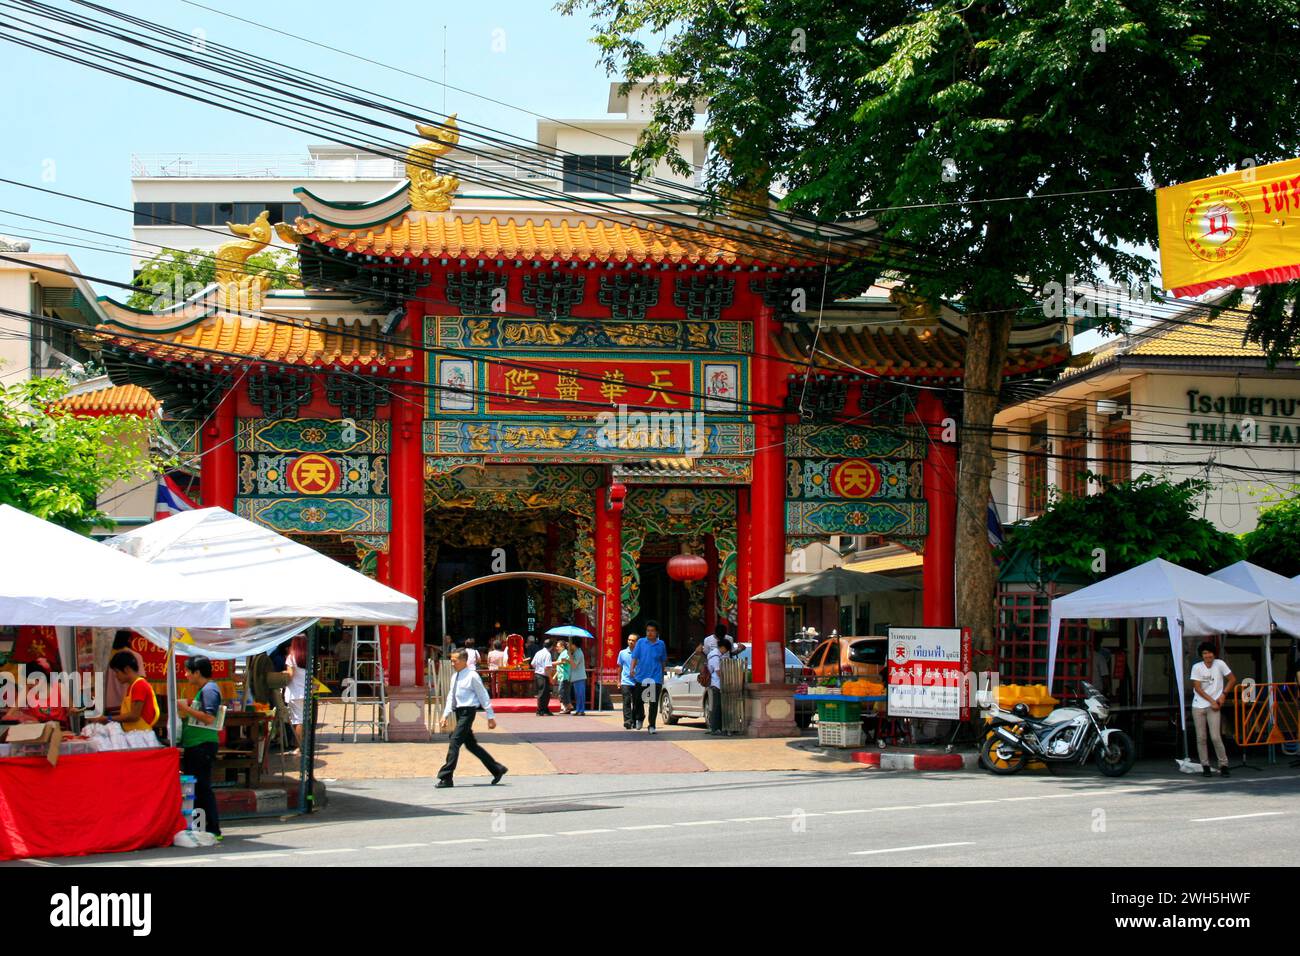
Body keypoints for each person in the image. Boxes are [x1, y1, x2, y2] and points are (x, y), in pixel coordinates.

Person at [436, 649, 507, 788]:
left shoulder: (472, 675)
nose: (452, 663)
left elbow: (483, 695)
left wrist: (490, 716)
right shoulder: (455, 676)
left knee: (454, 741)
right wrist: (445, 714)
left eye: (454, 661)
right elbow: (451, 696)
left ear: (463, 661)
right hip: (458, 712)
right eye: (451, 660)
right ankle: (497, 769)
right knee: (471, 745)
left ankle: (446, 777)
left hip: (468, 712)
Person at [176, 655, 222, 840]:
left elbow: (209, 717)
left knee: (202, 789)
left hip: (202, 746)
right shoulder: (204, 690)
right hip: (195, 745)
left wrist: (185, 708)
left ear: (197, 672)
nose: (186, 674)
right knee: (198, 789)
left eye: (188, 671)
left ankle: (213, 830)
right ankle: (202, 827)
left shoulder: (209, 690)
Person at [1191, 641, 1236, 777]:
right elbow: (1197, 688)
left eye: (1210, 652)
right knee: (1201, 737)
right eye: (1204, 653)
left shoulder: (1220, 664)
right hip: (1199, 705)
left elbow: (1232, 679)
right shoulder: (1197, 667)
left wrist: (1223, 695)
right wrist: (1212, 701)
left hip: (1215, 704)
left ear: (1214, 654)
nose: (1208, 655)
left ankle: (1223, 764)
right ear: (1201, 655)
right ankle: (1205, 765)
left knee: (1216, 737)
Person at [90, 651, 159, 732]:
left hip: (142, 735)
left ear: (126, 669)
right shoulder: (133, 686)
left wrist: (108, 718)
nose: (116, 676)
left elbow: (134, 716)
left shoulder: (139, 685)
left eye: (117, 672)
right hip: (135, 733)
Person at [629, 620, 668, 733]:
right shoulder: (641, 642)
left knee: (653, 703)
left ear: (657, 633)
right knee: (638, 701)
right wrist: (632, 669)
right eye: (648, 631)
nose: (650, 633)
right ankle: (640, 718)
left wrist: (662, 674)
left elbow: (663, 660)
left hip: (655, 678)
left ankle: (652, 725)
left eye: (652, 631)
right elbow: (635, 657)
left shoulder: (661, 644)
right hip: (641, 677)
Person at [103, 631, 144, 712]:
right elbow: (140, 679)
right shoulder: (136, 656)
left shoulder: (105, 657)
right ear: (129, 639)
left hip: (110, 703)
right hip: (129, 703)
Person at [283, 636, 307, 751]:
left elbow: (290, 675)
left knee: (297, 720)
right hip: (306, 691)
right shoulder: (308, 657)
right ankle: (302, 745)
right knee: (303, 719)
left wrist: (284, 673)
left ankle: (299, 747)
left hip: (295, 692)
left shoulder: (291, 657)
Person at [706, 637, 731, 735]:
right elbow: (718, 671)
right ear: (723, 647)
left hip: (715, 684)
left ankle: (717, 728)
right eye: (726, 649)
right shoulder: (715, 656)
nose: (726, 652)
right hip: (716, 684)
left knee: (716, 706)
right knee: (716, 707)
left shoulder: (714, 654)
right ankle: (715, 728)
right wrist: (725, 679)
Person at [619, 634, 641, 729]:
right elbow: (620, 668)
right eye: (629, 640)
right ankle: (627, 721)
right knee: (626, 701)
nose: (630, 642)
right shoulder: (622, 653)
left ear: (637, 642)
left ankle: (634, 720)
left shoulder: (641, 653)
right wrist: (618, 681)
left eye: (633, 640)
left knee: (637, 702)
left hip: (637, 681)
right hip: (626, 681)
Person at [532, 638, 555, 716]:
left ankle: (545, 709)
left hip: (538, 674)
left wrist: (538, 667)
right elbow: (547, 668)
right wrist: (551, 678)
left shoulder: (538, 652)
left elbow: (533, 664)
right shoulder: (548, 654)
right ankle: (540, 710)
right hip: (543, 675)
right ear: (551, 646)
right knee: (543, 694)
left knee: (545, 693)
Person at [570, 638, 588, 716]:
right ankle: (578, 709)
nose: (570, 645)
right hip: (577, 677)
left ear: (574, 644)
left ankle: (581, 710)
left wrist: (569, 656)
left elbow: (574, 665)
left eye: (571, 644)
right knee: (578, 695)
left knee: (580, 694)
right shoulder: (576, 652)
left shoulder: (578, 653)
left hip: (579, 677)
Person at [555, 639, 572, 714]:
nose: (557, 648)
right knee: (564, 692)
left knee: (562, 692)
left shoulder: (565, 653)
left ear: (562, 646)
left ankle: (568, 706)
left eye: (558, 646)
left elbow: (562, 662)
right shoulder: (562, 653)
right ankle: (567, 707)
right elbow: (560, 666)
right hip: (562, 676)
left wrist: (551, 663)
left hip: (565, 676)